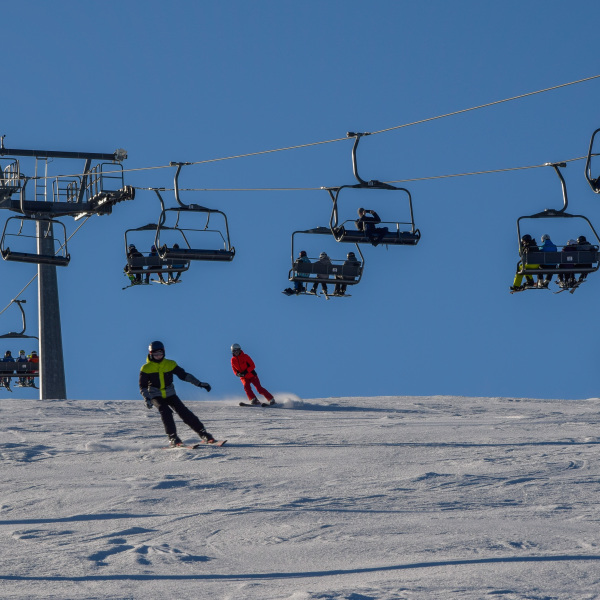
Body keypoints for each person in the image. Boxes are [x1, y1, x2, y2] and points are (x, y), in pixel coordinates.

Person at [139, 340, 216, 447]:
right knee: (165, 411)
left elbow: (184, 375)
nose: (158, 356)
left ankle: (203, 433)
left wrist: (199, 383)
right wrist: (147, 398)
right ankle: (173, 437)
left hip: (170, 394)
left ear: (164, 352)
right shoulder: (146, 368)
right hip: (155, 395)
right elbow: (142, 386)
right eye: (155, 354)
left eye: (160, 353)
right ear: (150, 354)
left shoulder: (170, 364)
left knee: (184, 412)